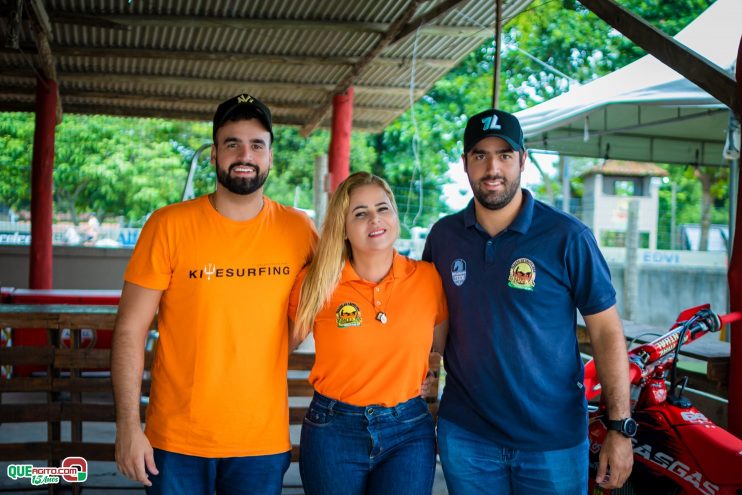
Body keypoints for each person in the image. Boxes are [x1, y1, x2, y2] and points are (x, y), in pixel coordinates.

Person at [111, 93, 317, 495]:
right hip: (175, 441)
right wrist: (127, 427)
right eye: (232, 143)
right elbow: (129, 331)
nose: (245, 154)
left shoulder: (300, 230)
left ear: (271, 157)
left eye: (257, 144)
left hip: (260, 441)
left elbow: (337, 297)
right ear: (214, 155)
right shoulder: (168, 225)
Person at [422, 109, 634, 494]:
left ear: (523, 160)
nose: (492, 167)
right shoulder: (443, 237)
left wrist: (620, 428)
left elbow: (606, 332)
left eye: (504, 154)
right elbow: (430, 331)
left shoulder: (568, 237)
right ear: (465, 163)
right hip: (467, 436)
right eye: (480, 155)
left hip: (552, 442)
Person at [289, 172, 448, 495]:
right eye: (360, 213)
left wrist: (429, 372)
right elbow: (275, 351)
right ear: (343, 228)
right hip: (333, 429)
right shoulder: (317, 283)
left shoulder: (428, 279)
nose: (375, 219)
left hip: (408, 429)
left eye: (383, 208)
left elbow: (447, 348)